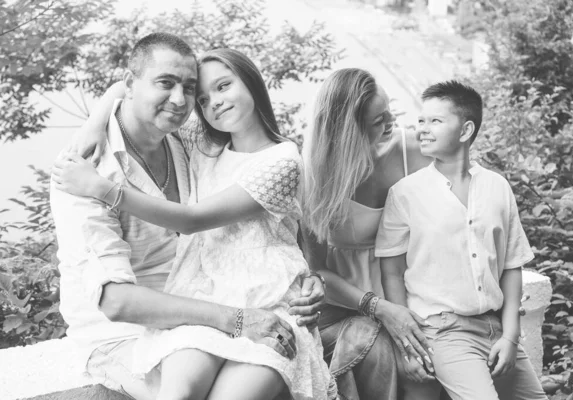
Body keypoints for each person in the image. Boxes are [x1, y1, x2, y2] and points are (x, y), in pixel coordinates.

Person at [51, 34, 326, 400]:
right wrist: (238, 319)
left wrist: (311, 279)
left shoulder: (189, 141)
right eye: (167, 84)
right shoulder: (85, 172)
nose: (182, 101)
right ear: (133, 85)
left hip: (208, 304)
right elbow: (116, 302)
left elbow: (263, 228)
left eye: (190, 89)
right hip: (125, 331)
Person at [374, 80, 547, 400]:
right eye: (421, 120)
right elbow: (392, 274)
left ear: (466, 130)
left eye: (435, 121)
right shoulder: (404, 194)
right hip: (443, 332)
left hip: (495, 328)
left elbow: (511, 266)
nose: (422, 129)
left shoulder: (498, 187)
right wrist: (407, 347)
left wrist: (510, 336)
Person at [301, 68, 436, 400]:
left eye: (389, 110)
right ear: (349, 131)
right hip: (345, 301)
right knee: (377, 351)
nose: (391, 122)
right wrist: (379, 308)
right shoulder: (314, 176)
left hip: (408, 288)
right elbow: (316, 269)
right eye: (379, 120)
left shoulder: (411, 150)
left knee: (429, 364)